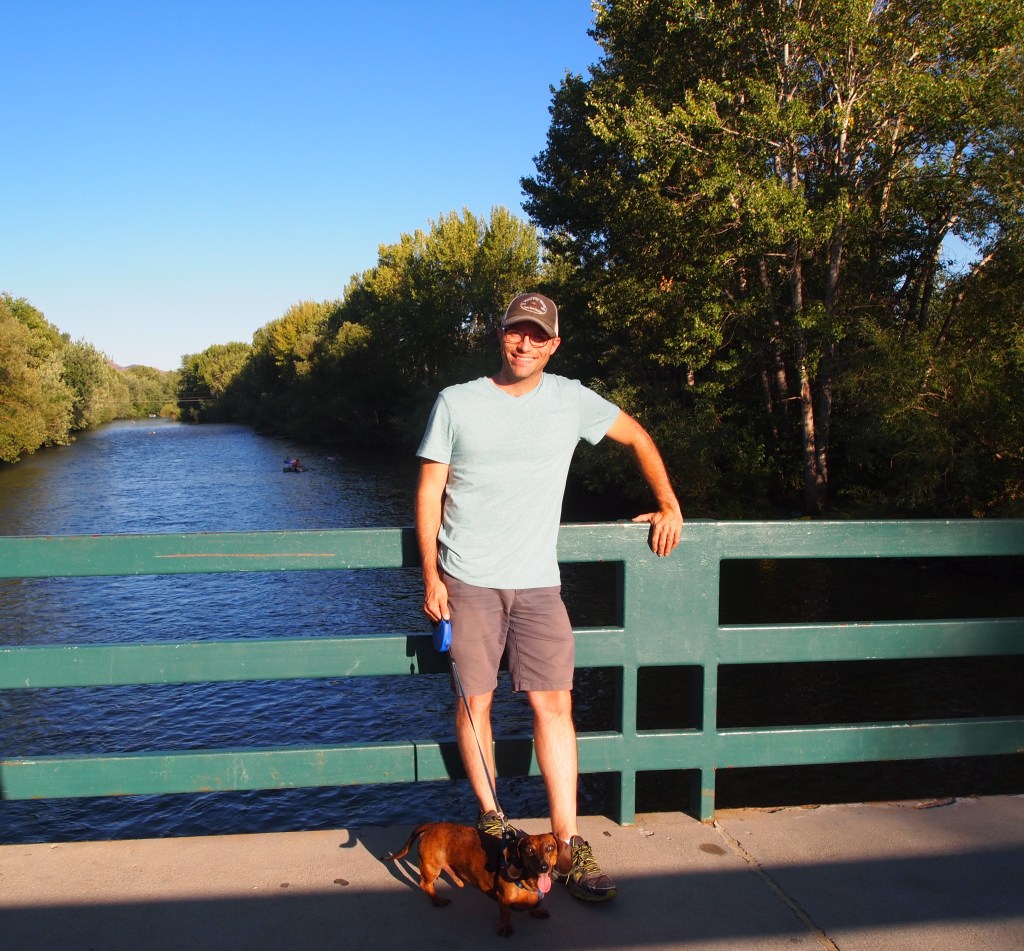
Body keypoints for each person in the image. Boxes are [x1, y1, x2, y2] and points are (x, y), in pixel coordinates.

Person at [415, 292, 683, 903]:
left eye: (538, 336)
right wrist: (431, 575)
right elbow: (430, 491)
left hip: (539, 582)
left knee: (554, 706)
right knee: (476, 702)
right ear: (501, 335)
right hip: (469, 579)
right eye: (516, 332)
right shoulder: (456, 402)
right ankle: (490, 817)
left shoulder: (572, 400)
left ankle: (568, 845)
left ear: (553, 344)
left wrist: (668, 503)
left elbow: (638, 436)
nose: (525, 344)